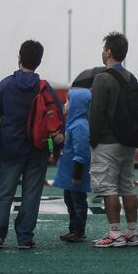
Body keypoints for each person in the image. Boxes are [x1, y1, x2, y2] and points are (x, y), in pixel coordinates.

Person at [0, 40, 64, 249]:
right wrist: (55, 148)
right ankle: (25, 237)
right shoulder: (45, 88)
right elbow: (58, 118)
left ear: (19, 58)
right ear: (39, 61)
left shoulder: (6, 85)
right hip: (38, 148)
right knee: (32, 194)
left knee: (4, 192)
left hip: (11, 147)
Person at [90, 33, 138, 248]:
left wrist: (93, 140)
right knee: (127, 186)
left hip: (106, 141)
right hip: (128, 141)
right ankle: (132, 232)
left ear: (109, 52)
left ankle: (114, 233)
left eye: (104, 49)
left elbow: (96, 112)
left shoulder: (102, 78)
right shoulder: (131, 77)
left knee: (108, 188)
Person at [53, 87, 93, 243]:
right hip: (70, 170)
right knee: (70, 200)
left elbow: (81, 150)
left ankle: (78, 230)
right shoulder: (73, 123)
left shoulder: (80, 125)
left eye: (68, 101)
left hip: (75, 171)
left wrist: (77, 172)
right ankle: (74, 228)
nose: (65, 104)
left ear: (77, 104)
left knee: (78, 202)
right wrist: (58, 141)